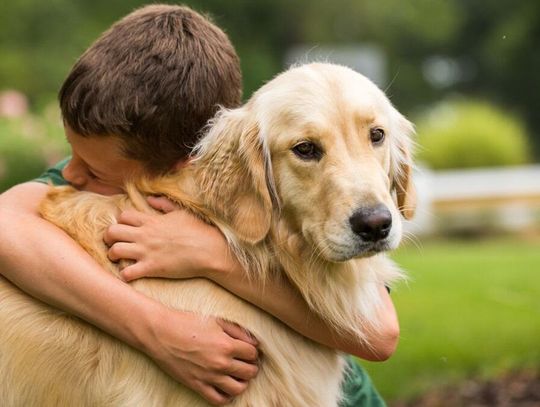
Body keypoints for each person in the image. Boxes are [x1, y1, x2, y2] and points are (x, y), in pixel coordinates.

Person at [0, 4, 397, 406]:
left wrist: (215, 258)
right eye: (72, 155)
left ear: (182, 165)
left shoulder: (238, 160)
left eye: (95, 169)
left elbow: (381, 333)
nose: (70, 174)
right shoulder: (106, 175)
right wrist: (158, 329)